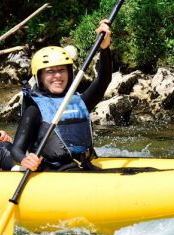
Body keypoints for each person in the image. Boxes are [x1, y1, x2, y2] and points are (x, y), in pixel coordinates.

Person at [6, 19, 114, 172]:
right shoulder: (34, 109)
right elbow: (16, 149)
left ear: (69, 73)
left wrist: (105, 47)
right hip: (54, 172)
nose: (57, 76)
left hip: (84, 167)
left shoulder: (79, 102)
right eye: (50, 71)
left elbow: (104, 79)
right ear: (39, 77)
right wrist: (25, 160)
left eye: (62, 70)